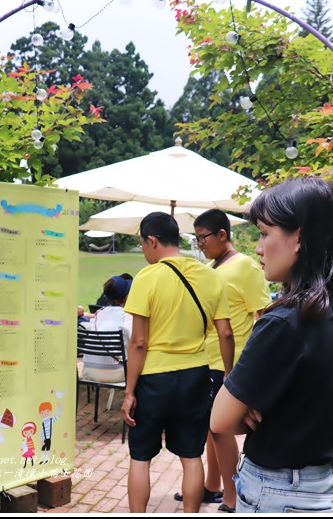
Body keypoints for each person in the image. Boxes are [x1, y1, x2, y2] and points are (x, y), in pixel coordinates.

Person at [210, 177, 333, 513]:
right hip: (327, 488)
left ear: (297, 236)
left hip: (278, 493)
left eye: (265, 233)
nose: (257, 247)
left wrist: (252, 407)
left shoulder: (283, 323)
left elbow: (221, 420)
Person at [122, 212, 235, 513]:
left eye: (143, 244)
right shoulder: (210, 276)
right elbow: (225, 332)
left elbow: (139, 342)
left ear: (152, 240)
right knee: (191, 457)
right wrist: (229, 375)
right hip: (196, 376)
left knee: (140, 457)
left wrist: (130, 391)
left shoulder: (147, 278)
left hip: (154, 380)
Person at [173, 208, 272, 512]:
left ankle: (231, 497)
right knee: (211, 429)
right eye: (197, 238)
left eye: (203, 238)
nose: (200, 244)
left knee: (221, 430)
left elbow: (264, 316)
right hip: (210, 359)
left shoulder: (245, 266)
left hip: (233, 363)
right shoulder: (213, 267)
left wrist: (253, 366)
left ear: (222, 235)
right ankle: (211, 486)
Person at [80, 275, 133, 383]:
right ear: (127, 297)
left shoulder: (98, 315)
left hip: (89, 371)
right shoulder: (128, 317)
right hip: (117, 373)